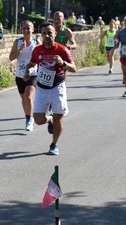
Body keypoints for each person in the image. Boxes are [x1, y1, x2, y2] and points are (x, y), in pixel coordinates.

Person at [23, 22, 77, 156]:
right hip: (42, 88)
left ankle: (54, 144)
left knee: (59, 116)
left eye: (50, 33)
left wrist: (63, 63)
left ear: (55, 34)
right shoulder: (37, 50)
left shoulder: (62, 50)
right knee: (38, 120)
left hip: (57, 86)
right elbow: (32, 64)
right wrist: (28, 71)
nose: (47, 36)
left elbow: (74, 68)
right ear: (41, 35)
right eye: (44, 33)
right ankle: (49, 119)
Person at [9, 20, 40, 131]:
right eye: (24, 28)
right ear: (21, 30)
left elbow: (41, 57)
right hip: (19, 74)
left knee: (28, 96)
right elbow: (11, 57)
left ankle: (29, 119)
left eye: (28, 28)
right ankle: (27, 116)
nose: (26, 30)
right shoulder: (17, 42)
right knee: (23, 99)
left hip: (33, 73)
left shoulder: (37, 42)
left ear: (33, 29)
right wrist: (20, 49)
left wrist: (32, 68)